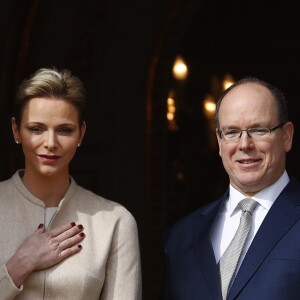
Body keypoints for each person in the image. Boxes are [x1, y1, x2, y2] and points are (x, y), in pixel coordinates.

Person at [0, 67, 142, 299]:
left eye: (65, 130)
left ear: (81, 134)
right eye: (36, 129)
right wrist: (20, 264)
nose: (51, 142)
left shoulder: (115, 222)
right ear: (16, 130)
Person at [162, 77, 300, 300]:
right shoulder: (181, 236)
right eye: (232, 132)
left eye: (258, 130)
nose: (244, 144)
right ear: (219, 141)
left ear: (286, 136)